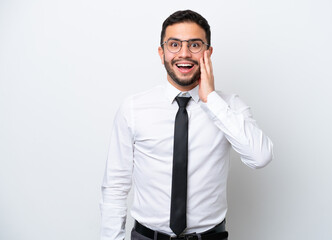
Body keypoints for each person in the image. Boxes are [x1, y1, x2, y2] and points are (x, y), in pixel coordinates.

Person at [100, 10, 273, 240]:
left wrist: (211, 100)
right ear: (161, 52)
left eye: (194, 45)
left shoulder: (229, 106)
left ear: (208, 52)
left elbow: (260, 157)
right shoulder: (133, 108)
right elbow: (115, 186)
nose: (184, 53)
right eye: (174, 44)